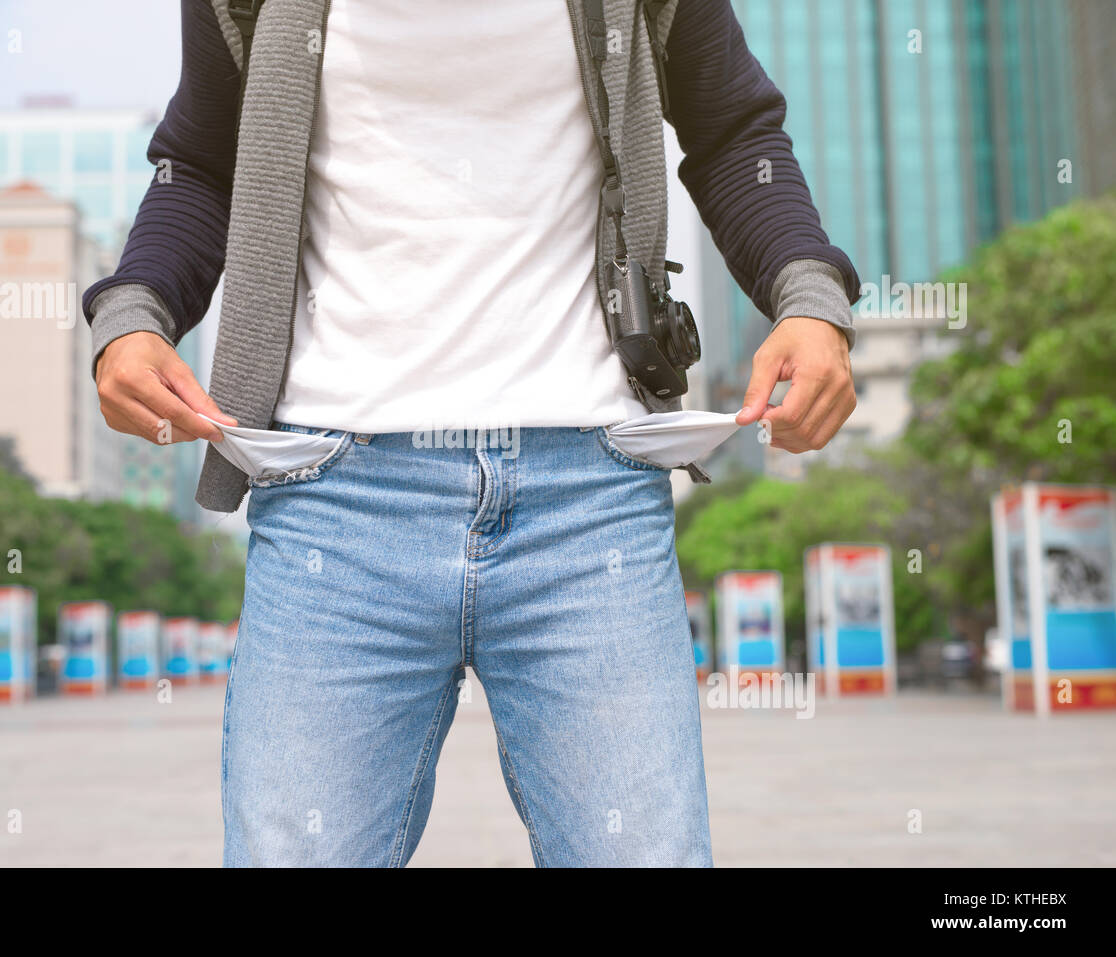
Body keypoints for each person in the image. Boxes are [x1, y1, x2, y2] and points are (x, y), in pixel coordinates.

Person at [84, 0, 859, 867]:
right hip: (335, 513)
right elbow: (199, 163)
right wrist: (133, 313)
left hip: (589, 502)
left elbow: (733, 132)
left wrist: (808, 296)